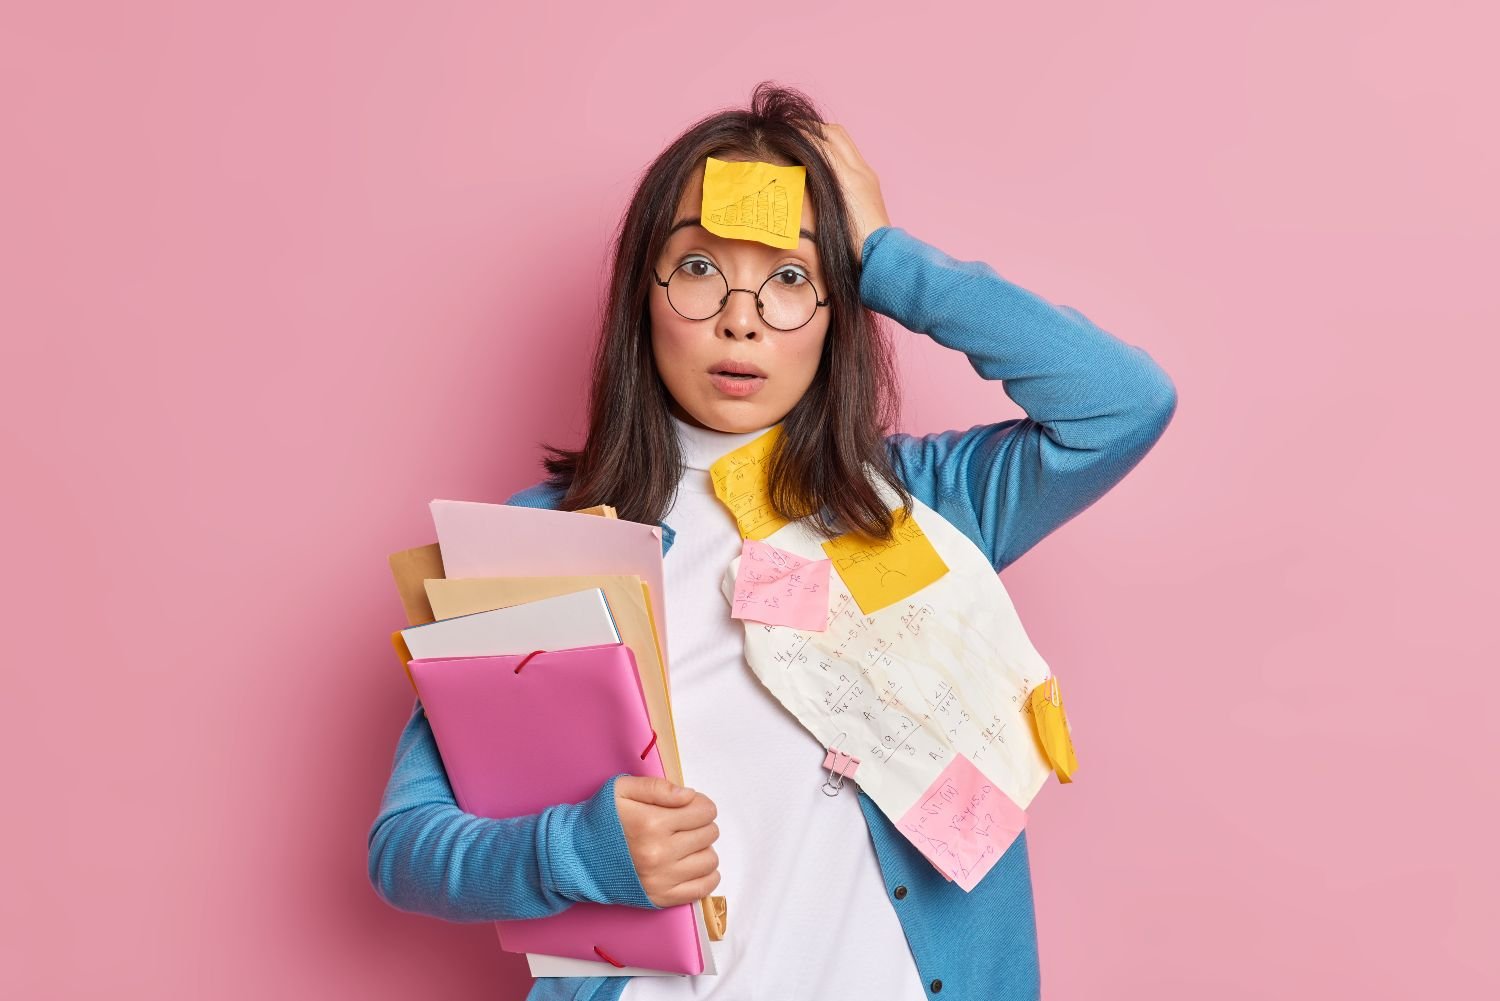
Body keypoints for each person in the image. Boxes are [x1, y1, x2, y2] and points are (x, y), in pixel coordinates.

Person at [367, 82, 1177, 1001]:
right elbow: (406, 845)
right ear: (644, 289)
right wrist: (575, 849)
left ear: (839, 311)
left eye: (791, 276)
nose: (741, 317)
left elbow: (1120, 403)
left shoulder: (924, 506)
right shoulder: (547, 543)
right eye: (701, 269)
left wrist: (885, 255)